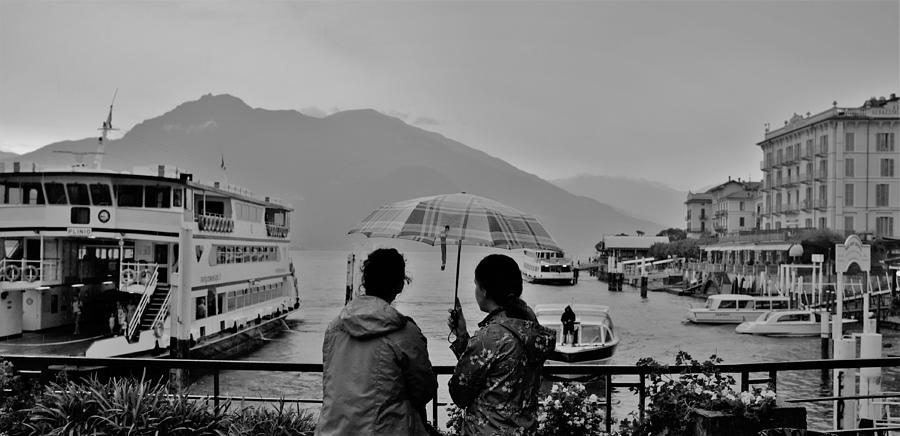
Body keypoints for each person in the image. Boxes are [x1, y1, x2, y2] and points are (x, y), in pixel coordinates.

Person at [317, 248, 437, 435]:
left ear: (365, 282)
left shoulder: (335, 327)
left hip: (333, 430)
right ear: (400, 285)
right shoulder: (406, 333)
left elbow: (330, 382)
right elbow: (424, 389)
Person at [447, 254, 556, 435]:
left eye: (476, 284)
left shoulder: (491, 336)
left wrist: (463, 341)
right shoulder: (531, 327)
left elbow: (459, 392)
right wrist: (462, 336)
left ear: (485, 291)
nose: (475, 290)